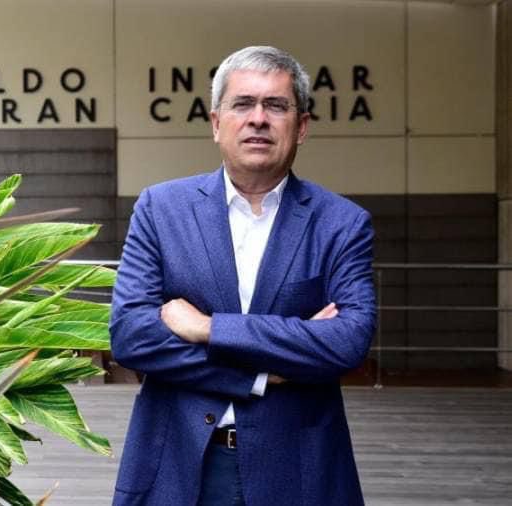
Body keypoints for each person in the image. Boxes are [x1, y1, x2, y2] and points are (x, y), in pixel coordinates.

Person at [110, 46, 376, 506]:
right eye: (243, 104)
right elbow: (132, 336)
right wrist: (261, 374)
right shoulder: (160, 209)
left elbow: (348, 341)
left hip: (297, 472)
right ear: (216, 124)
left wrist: (209, 328)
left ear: (302, 126)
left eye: (276, 105)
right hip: (177, 468)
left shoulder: (342, 223)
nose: (258, 119)